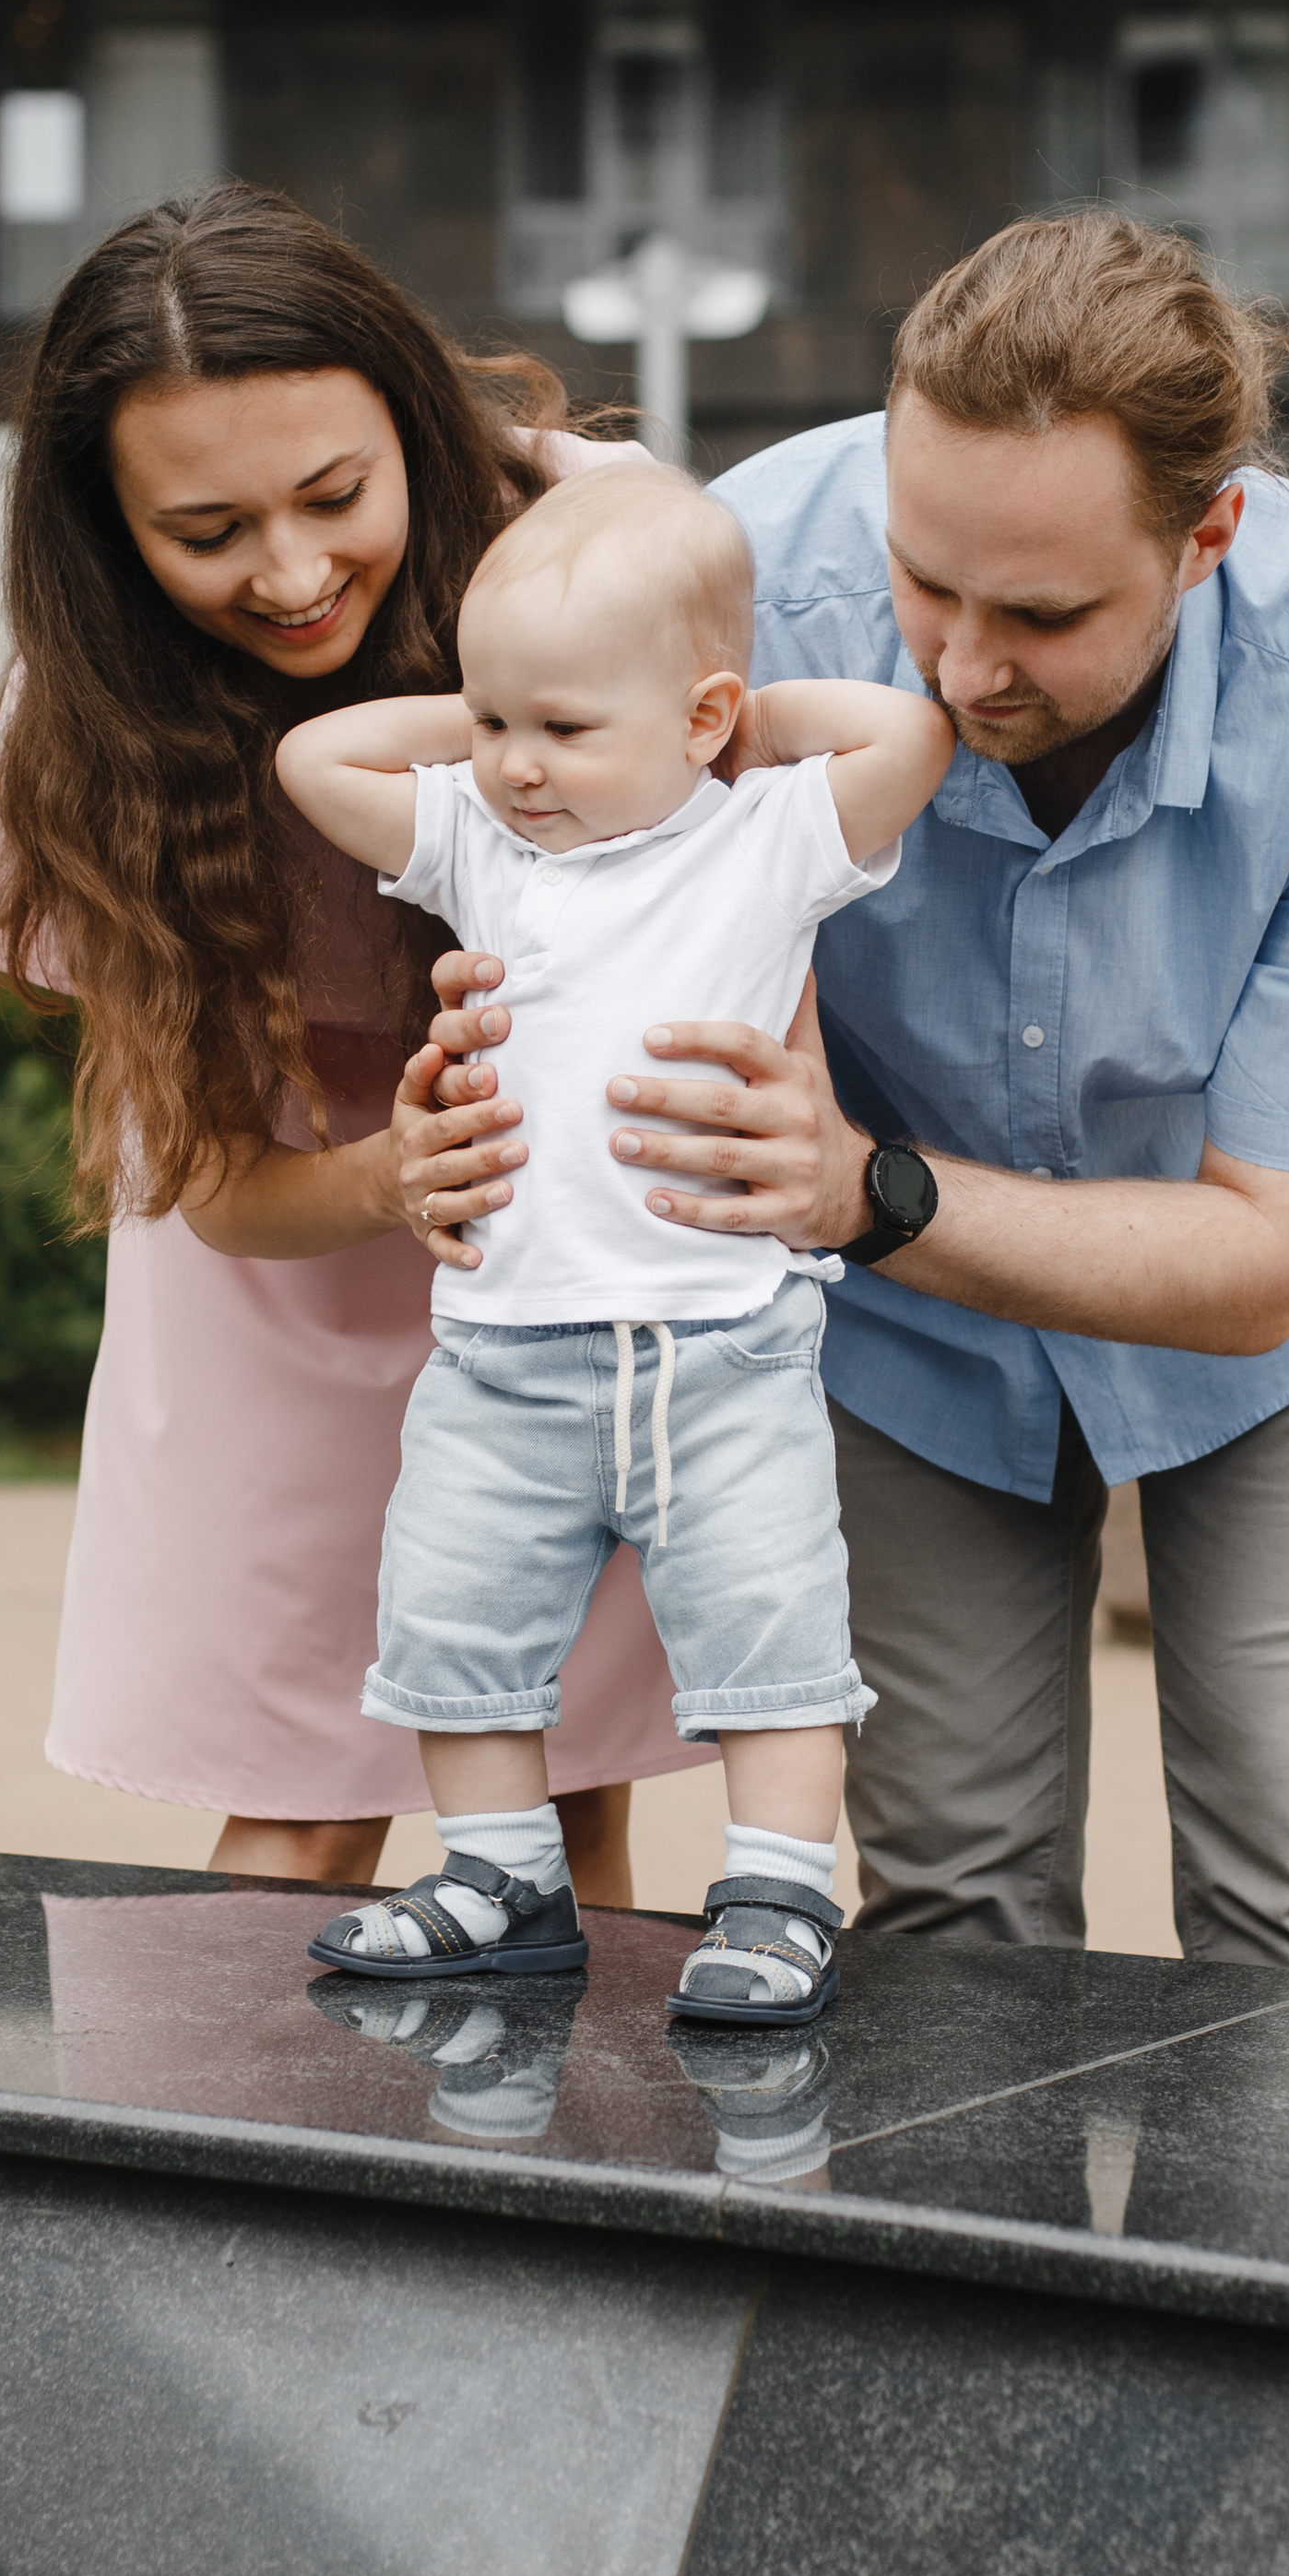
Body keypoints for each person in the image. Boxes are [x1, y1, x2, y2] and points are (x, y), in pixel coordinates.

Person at [408, 212, 1289, 1984]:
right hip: (898, 1335)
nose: (962, 666)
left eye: (1044, 612)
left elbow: (1269, 1256)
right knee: (956, 1901)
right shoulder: (748, 571)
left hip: (1272, 1323)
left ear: (1206, 533)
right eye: (926, 580)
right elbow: (571, 858)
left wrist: (863, 1195)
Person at [0, 183, 685, 1899]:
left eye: (334, 497)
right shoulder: (82, 732)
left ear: (416, 430)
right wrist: (387, 1169)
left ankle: (560, 2163)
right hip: (290, 1251)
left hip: (564, 1244)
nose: (291, 576)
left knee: (564, 1771)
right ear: (109, 537)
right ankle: (219, 2170)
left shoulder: (605, 544)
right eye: (207, 532)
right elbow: (219, 1180)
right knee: (306, 1788)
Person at [272, 465, 952, 2016]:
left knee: (772, 1631)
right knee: (452, 1619)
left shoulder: (767, 834)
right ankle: (501, 1874)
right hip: (507, 1353)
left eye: (564, 732)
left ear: (706, 717)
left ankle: (781, 1895)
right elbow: (316, 757)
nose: (515, 764)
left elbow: (910, 734)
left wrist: (727, 732)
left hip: (721, 1348)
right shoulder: (488, 847)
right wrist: (520, 710)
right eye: (496, 722)